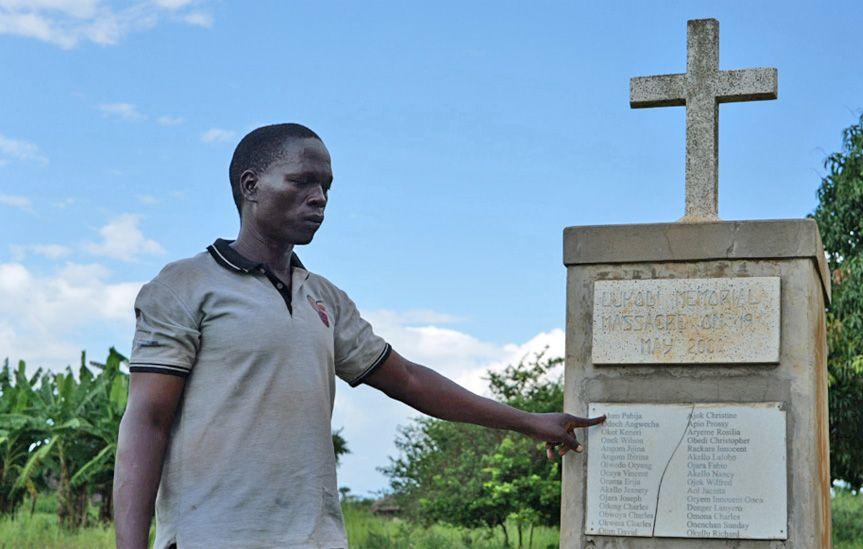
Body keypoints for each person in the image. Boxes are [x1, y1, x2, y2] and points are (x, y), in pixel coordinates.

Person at [112, 123, 605, 549]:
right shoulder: (184, 287)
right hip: (213, 534)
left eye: (326, 185)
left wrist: (528, 421)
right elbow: (147, 422)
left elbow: (408, 379)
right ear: (251, 185)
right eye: (302, 181)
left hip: (315, 537)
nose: (319, 198)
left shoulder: (324, 298)